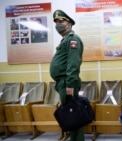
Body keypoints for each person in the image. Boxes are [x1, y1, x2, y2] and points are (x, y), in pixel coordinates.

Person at [49, 10, 84, 141]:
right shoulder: (65, 40)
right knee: (71, 115)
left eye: (61, 21)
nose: (58, 24)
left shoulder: (73, 40)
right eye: (56, 22)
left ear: (69, 24)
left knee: (73, 115)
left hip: (67, 83)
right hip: (63, 82)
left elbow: (73, 64)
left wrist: (70, 84)